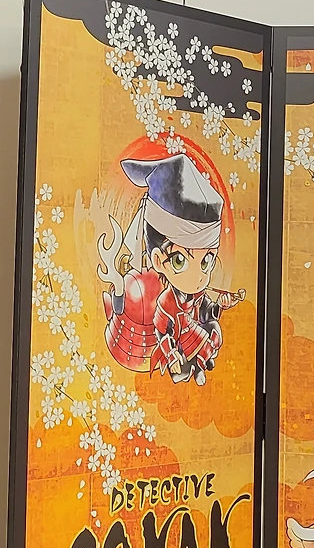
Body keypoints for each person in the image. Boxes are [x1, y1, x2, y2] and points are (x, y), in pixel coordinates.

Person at [97, 152, 244, 384]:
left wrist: (220, 306)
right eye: (179, 261)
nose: (198, 277)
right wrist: (171, 353)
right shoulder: (165, 300)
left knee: (213, 330)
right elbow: (161, 330)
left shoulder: (196, 293)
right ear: (158, 260)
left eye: (206, 261)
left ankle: (200, 366)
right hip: (177, 341)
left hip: (192, 334)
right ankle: (189, 367)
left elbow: (206, 312)